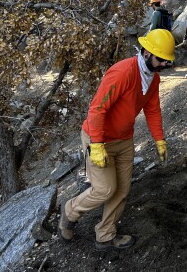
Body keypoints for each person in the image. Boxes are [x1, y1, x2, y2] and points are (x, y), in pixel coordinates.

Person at [58, 29, 175, 250]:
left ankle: (105, 234)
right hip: (98, 138)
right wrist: (98, 144)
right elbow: (97, 109)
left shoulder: (153, 79)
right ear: (147, 53)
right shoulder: (122, 72)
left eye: (167, 62)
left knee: (121, 190)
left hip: (124, 140)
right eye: (161, 60)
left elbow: (153, 111)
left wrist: (160, 140)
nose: (163, 66)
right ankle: (70, 210)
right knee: (104, 190)